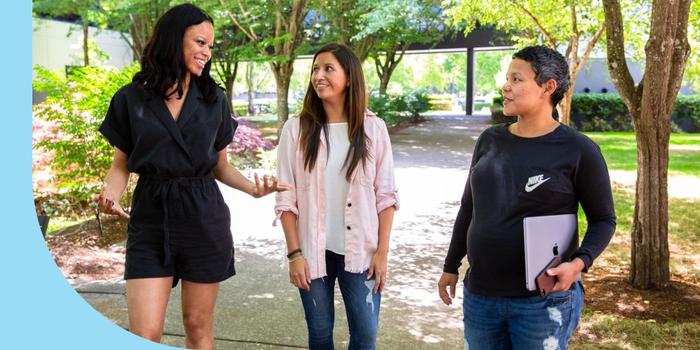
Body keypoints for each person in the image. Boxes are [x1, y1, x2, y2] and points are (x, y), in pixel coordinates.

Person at [96, 4, 289, 349]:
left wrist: (253, 189)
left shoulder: (213, 99)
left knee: (197, 327)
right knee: (145, 333)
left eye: (210, 46)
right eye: (200, 42)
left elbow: (221, 165)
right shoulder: (130, 98)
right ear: (174, 39)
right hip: (151, 218)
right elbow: (120, 165)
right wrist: (110, 193)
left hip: (203, 217)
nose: (207, 53)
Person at [438, 45, 616, 350]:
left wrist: (579, 264)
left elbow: (603, 219)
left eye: (517, 79)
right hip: (481, 295)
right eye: (507, 78)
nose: (506, 86)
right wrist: (451, 264)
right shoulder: (490, 139)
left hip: (542, 303)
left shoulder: (578, 149)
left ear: (548, 87)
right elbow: (470, 207)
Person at [275, 43, 399, 350]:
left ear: (349, 77)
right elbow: (285, 200)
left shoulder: (374, 129)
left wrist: (382, 252)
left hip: (362, 254)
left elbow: (386, 197)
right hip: (312, 253)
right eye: (315, 69)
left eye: (328, 68)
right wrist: (294, 255)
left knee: (366, 336)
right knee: (319, 335)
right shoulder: (296, 130)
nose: (319, 75)